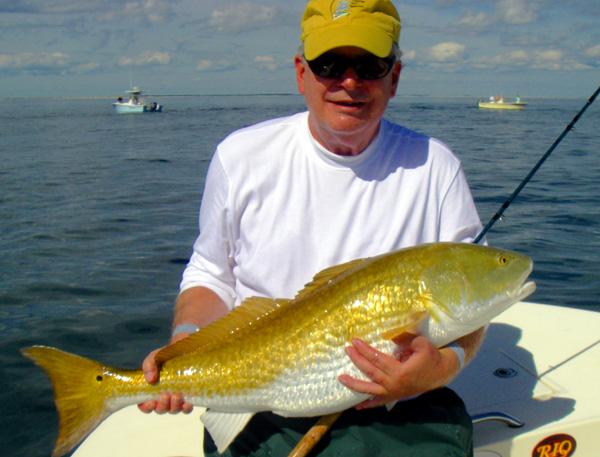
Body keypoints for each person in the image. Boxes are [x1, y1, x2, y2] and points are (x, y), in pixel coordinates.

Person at [140, 0, 485, 455]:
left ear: (394, 77)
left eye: (369, 65)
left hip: (403, 409)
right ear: (301, 74)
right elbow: (210, 272)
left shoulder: (436, 167)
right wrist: (185, 346)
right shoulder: (240, 156)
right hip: (259, 399)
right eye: (329, 64)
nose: (349, 82)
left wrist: (441, 367)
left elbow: (473, 308)